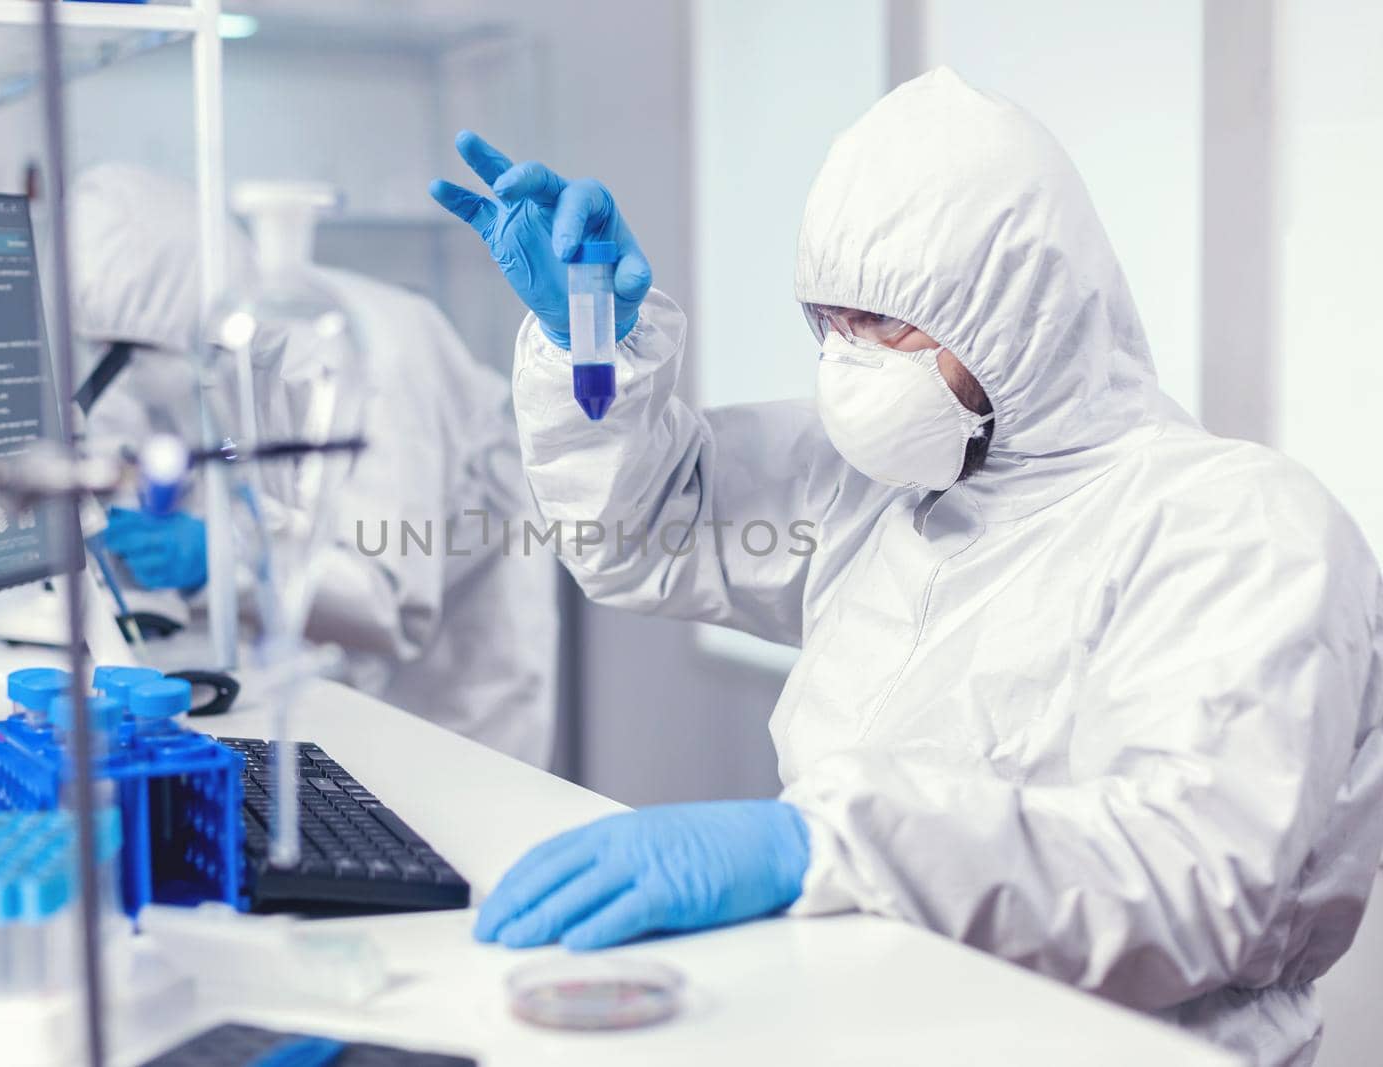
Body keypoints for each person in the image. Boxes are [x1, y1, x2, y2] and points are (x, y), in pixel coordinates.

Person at [430, 68, 1383, 1065]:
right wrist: (595, 347)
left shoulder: (1239, 526)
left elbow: (1189, 876)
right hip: (864, 1018)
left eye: (884, 322)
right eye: (832, 321)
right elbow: (642, 533)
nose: (848, 362)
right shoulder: (881, 484)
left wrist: (823, 846)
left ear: (1014, 312)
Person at [70, 163, 559, 766]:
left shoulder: (376, 354)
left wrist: (216, 561)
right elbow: (159, 435)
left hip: (458, 679)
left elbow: (390, 600)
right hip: (325, 674)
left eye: (127, 357)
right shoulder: (207, 351)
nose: (129, 386)